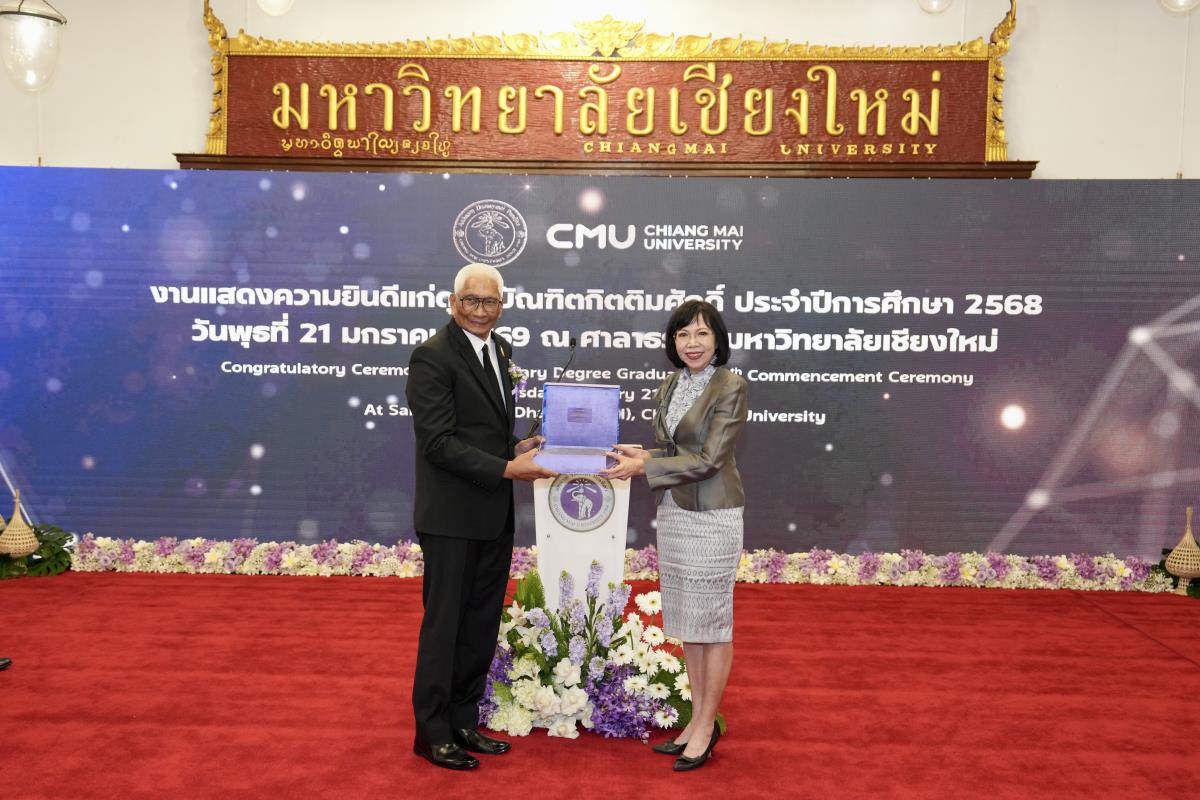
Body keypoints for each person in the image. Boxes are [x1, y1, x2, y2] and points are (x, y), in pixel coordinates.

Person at [406, 262, 557, 771]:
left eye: (489, 301)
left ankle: (464, 719)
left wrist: (515, 447)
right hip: (450, 517)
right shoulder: (431, 356)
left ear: (502, 306)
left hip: (492, 513)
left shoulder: (500, 350)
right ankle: (432, 732)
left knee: (480, 623)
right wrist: (507, 468)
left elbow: (479, 431)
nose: (479, 310)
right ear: (453, 303)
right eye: (470, 300)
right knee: (444, 626)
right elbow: (438, 442)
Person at [601, 300, 747, 772]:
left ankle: (706, 726)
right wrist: (642, 454)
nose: (692, 343)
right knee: (689, 622)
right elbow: (674, 449)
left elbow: (709, 459)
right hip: (676, 513)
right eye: (683, 334)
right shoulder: (671, 383)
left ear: (717, 339)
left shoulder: (730, 385)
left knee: (713, 624)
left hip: (714, 516)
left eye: (702, 333)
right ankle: (695, 720)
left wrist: (644, 468)